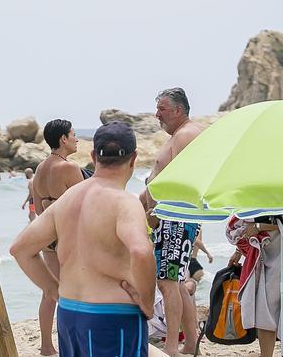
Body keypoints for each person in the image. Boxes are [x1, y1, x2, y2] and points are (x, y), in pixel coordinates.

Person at [12, 122, 167, 357]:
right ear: (134, 158)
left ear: (94, 156)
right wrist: (146, 302)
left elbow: (20, 249)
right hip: (112, 316)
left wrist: (54, 290)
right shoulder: (124, 202)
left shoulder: (68, 198)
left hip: (69, 313)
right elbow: (141, 251)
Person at [142, 87, 207, 356]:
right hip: (170, 220)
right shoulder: (180, 134)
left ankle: (171, 347)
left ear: (179, 110)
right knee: (176, 283)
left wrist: (157, 212)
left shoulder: (187, 135)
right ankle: (190, 344)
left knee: (168, 283)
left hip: (175, 220)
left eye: (162, 109)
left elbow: (184, 183)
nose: (157, 114)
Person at [29, 118, 86, 355]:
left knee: (51, 291)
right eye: (73, 135)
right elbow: (86, 204)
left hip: (48, 237)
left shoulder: (40, 169)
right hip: (69, 238)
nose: (77, 139)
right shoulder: (69, 168)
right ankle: (72, 345)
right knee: (74, 293)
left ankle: (46, 345)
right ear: (63, 139)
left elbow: (40, 210)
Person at [225, 215, 283, 357]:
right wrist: (238, 251)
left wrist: (258, 227)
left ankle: (268, 355)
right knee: (280, 306)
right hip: (280, 245)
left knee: (269, 307)